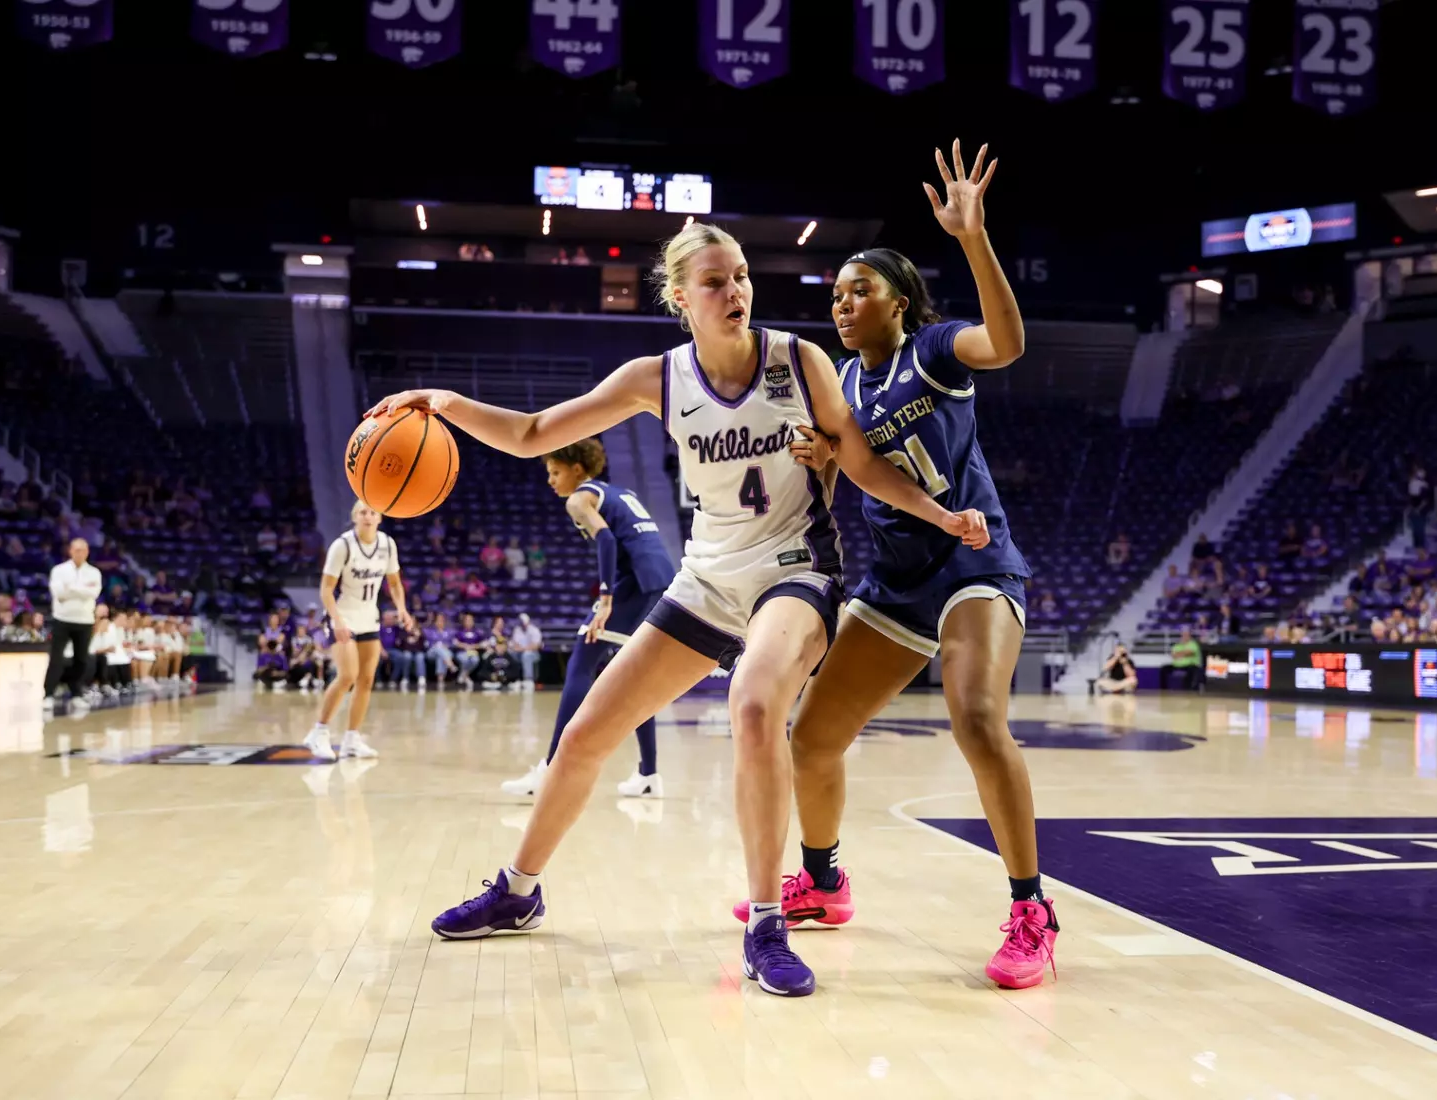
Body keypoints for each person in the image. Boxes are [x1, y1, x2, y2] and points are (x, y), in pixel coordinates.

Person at [375, 217, 986, 999]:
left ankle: (767, 920)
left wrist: (938, 515)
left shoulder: (798, 360)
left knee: (757, 704)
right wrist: (448, 401)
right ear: (679, 298)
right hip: (704, 579)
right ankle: (520, 889)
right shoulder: (654, 377)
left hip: (792, 571)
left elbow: (859, 460)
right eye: (715, 282)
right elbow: (532, 434)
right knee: (589, 733)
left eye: (740, 276)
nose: (735, 291)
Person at [725, 141, 1053, 990]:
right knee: (811, 736)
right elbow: (842, 470)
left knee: (977, 720)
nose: (841, 303)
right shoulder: (837, 380)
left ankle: (1031, 909)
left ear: (899, 303)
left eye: (858, 289)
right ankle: (825, 884)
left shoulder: (936, 351)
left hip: (972, 562)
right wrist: (817, 454)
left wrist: (973, 238)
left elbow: (1009, 342)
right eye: (833, 294)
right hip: (895, 579)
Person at [501, 437, 678, 799]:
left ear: (576, 469)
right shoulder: (617, 491)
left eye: (555, 471)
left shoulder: (579, 499)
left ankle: (551, 770)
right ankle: (649, 775)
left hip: (635, 582)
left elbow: (608, 541)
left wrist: (606, 597)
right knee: (637, 677)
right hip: (661, 576)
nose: (550, 480)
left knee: (581, 661)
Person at [303, 501, 413, 761]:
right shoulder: (342, 546)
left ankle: (352, 738)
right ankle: (318, 732)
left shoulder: (387, 545)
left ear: (380, 518)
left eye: (372, 512)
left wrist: (402, 608)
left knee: (366, 680)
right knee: (347, 677)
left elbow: (395, 583)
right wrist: (337, 620)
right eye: (363, 512)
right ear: (354, 517)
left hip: (368, 618)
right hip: (343, 617)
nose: (368, 516)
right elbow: (326, 589)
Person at [44, 537, 103, 704]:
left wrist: (71, 588)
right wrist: (83, 590)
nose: (80, 553)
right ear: (70, 551)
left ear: (87, 552)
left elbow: (93, 594)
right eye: (76, 550)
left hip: (85, 620)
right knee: (56, 658)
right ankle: (48, 694)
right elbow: (59, 593)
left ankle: (76, 693)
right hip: (62, 618)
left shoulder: (94, 572)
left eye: (83, 550)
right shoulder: (59, 570)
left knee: (81, 659)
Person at [509, 612, 542, 692]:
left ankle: (528, 680)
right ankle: (512, 679)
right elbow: (514, 644)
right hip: (519, 653)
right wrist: (518, 648)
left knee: (526, 655)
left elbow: (536, 646)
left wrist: (523, 649)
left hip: (533, 654)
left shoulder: (534, 630)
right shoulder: (517, 630)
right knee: (510, 653)